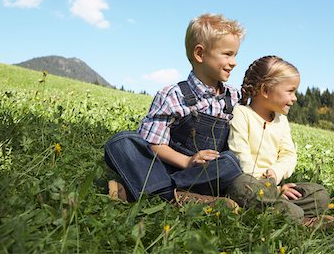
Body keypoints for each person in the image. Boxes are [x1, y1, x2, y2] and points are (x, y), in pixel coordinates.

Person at [104, 13, 245, 206]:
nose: (234, 62)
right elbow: (153, 144)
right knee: (122, 143)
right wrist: (187, 162)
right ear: (200, 54)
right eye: (228, 54)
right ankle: (181, 196)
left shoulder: (235, 97)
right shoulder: (172, 95)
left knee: (230, 162)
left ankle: (154, 191)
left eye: (235, 55)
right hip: (171, 167)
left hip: (209, 174)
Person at [226, 55, 334, 227]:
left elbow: (288, 155)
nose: (295, 98)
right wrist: (272, 188)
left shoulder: (281, 120)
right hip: (250, 184)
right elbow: (241, 157)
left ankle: (276, 210)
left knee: (320, 194)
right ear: (265, 90)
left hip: (274, 188)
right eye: (290, 91)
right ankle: (297, 218)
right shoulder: (242, 114)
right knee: (241, 185)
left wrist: (276, 175)